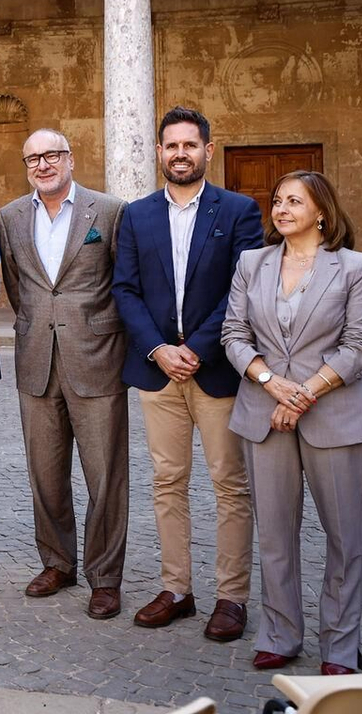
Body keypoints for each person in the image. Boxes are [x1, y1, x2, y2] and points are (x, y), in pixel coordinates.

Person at [222, 171, 362, 676]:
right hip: (263, 412)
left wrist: (303, 393)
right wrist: (271, 382)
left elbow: (361, 344)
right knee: (273, 534)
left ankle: (340, 647)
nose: (282, 209)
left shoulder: (355, 267)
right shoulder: (252, 263)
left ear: (321, 212)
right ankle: (280, 633)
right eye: (277, 200)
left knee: (345, 539)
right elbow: (233, 333)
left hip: (335, 417)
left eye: (295, 201)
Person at [113, 106, 262, 641]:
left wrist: (195, 348)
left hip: (216, 370)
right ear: (159, 152)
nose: (180, 154)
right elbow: (125, 289)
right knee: (167, 481)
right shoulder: (137, 215)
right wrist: (158, 349)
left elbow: (243, 289)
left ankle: (231, 597)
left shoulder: (239, 211)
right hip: (159, 373)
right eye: (171, 145)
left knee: (230, 484)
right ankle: (176, 588)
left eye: (190, 145)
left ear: (207, 150)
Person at [0, 128, 128, 620]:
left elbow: (122, 281)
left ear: (70, 158)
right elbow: (18, 285)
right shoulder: (10, 217)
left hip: (96, 359)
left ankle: (105, 577)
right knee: (45, 474)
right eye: (33, 158)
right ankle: (57, 562)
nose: (43, 165)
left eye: (52, 155)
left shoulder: (109, 211)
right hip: (36, 358)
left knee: (105, 476)